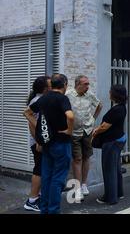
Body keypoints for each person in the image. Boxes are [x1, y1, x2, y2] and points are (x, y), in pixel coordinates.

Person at [23, 74, 74, 214]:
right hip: (61, 144)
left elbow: (27, 112)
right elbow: (70, 116)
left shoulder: (44, 98)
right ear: (64, 84)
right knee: (58, 179)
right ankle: (53, 211)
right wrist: (69, 131)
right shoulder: (63, 98)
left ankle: (44, 210)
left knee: (46, 177)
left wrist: (40, 130)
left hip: (47, 145)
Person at [66, 75, 103, 201]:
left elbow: (99, 105)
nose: (88, 86)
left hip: (87, 131)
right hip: (74, 132)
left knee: (87, 157)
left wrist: (93, 119)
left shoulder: (89, 95)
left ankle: (84, 184)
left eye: (88, 84)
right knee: (77, 159)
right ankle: (77, 188)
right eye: (85, 84)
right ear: (78, 84)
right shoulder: (68, 94)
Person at [92, 85, 127, 205]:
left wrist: (95, 131)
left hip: (112, 142)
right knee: (116, 168)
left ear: (115, 94)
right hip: (119, 139)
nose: (109, 93)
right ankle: (118, 193)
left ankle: (110, 197)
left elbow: (105, 126)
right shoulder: (122, 107)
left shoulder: (116, 109)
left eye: (110, 91)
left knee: (108, 170)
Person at [23, 76, 51, 212]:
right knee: (38, 170)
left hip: (40, 141)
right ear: (46, 88)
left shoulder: (41, 99)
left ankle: (37, 195)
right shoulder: (37, 101)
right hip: (38, 142)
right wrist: (39, 141)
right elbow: (31, 125)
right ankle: (32, 200)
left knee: (41, 168)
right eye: (51, 84)